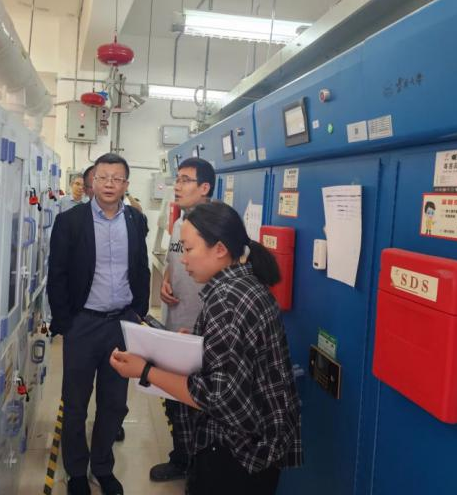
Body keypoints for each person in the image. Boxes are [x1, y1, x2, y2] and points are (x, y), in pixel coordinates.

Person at [110, 201, 303, 495]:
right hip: (259, 447)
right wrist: (200, 342)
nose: (183, 259)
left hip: (238, 454)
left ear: (220, 249)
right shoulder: (243, 284)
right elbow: (236, 356)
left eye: (189, 249)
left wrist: (145, 370)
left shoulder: (226, 300)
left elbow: (218, 397)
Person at [47, 153, 150, 495]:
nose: (109, 184)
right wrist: (66, 323)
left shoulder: (135, 220)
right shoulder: (71, 221)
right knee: (75, 402)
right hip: (83, 323)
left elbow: (141, 267)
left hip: (120, 323)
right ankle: (77, 471)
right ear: (92, 181)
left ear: (126, 185)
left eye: (116, 179)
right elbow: (57, 274)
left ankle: (102, 467)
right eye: (103, 177)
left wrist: (137, 313)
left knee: (114, 402)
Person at [149, 157, 215, 483]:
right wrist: (166, 280)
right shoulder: (179, 223)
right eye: (177, 179)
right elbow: (175, 261)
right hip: (175, 323)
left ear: (205, 187)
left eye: (185, 180)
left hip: (201, 330)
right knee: (174, 400)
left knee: (199, 403)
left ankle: (200, 468)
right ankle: (181, 458)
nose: (177, 186)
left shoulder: (216, 227)